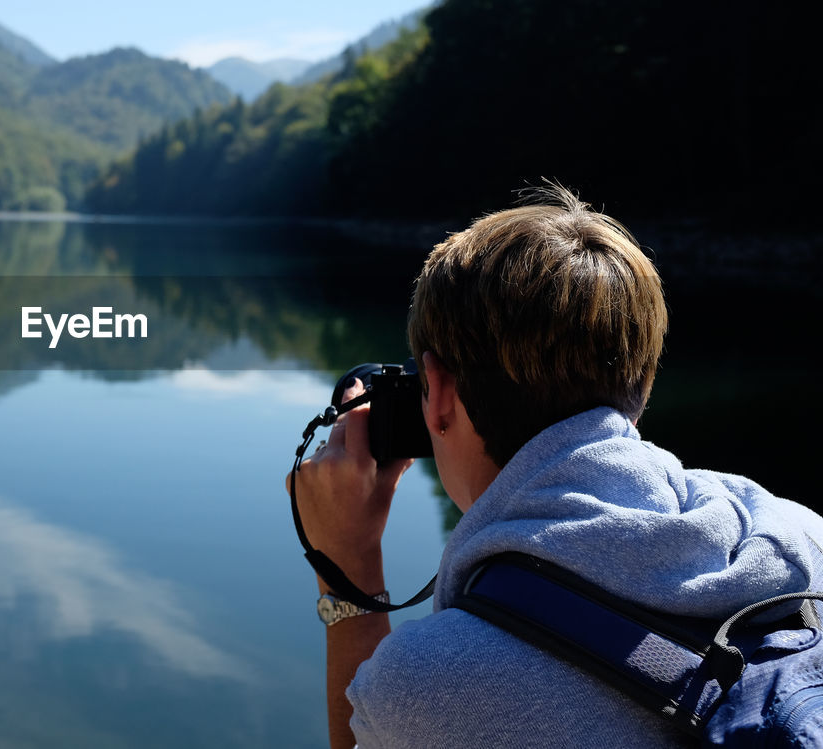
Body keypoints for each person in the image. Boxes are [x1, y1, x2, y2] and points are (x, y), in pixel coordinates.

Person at [288, 184, 823, 748]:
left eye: (424, 389)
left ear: (440, 395)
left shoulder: (427, 686)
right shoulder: (802, 537)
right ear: (640, 381)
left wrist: (347, 572)